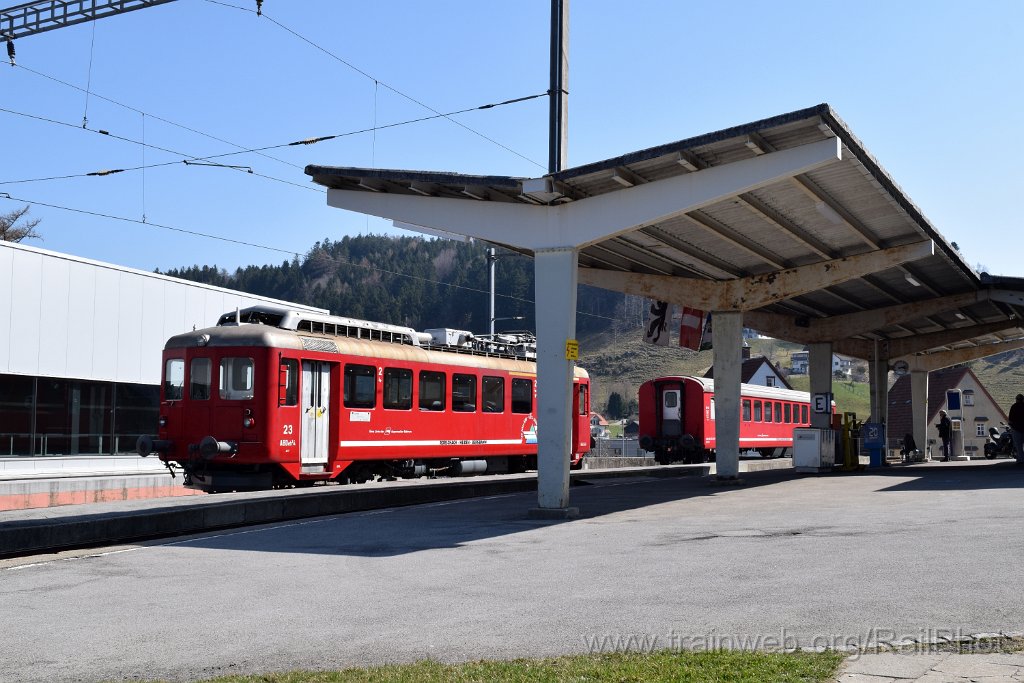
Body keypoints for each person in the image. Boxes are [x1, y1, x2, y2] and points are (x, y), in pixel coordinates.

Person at [1008, 394, 1024, 464]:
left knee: (1018, 446)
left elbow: (1010, 419)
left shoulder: (1014, 406)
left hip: (1016, 429)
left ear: (1017, 399)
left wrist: (1011, 425)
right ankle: (1020, 458)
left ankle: (1021, 459)